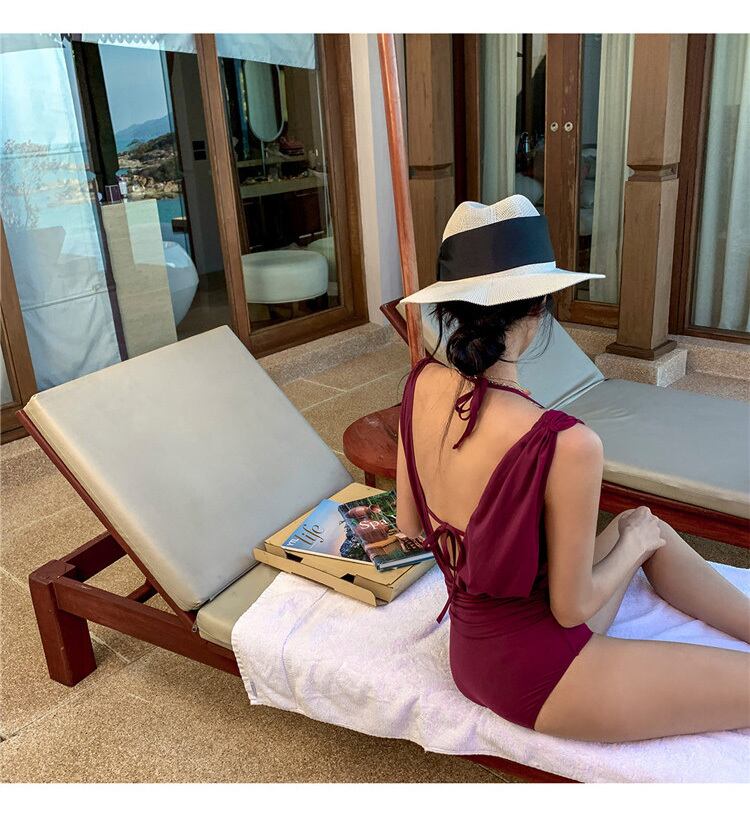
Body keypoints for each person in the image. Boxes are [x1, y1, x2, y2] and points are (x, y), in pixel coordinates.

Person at [395, 194, 750, 742]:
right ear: (540, 310)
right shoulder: (566, 441)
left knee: (642, 525)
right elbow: (571, 608)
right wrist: (629, 549)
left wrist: (636, 537)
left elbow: (410, 526)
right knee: (638, 535)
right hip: (543, 676)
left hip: (470, 655)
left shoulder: (419, 385)